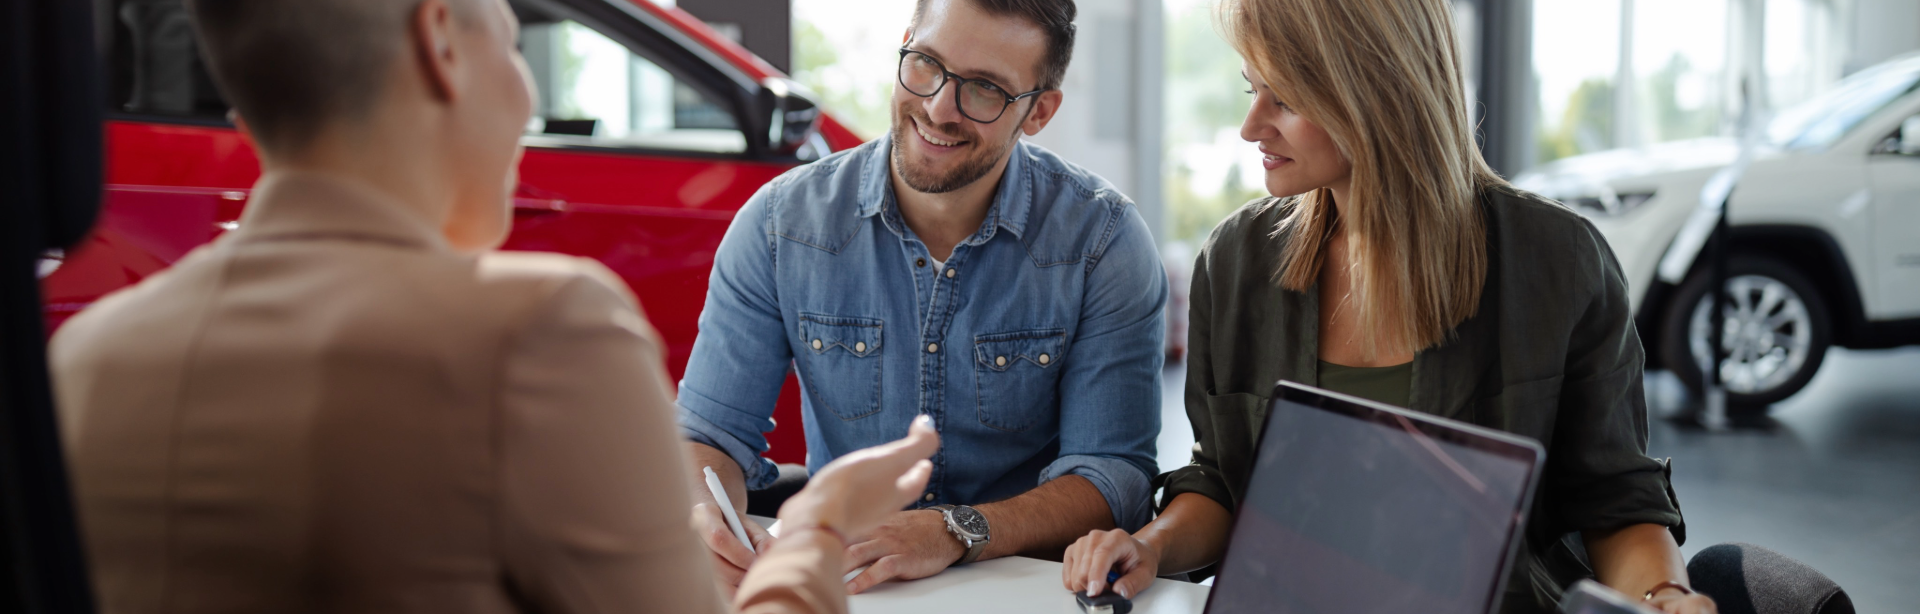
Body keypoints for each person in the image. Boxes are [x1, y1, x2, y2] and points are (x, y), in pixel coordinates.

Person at [49, 0, 940, 612]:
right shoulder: (541, 334)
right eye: (514, 44)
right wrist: (819, 529)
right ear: (441, 40)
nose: (524, 96)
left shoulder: (81, 365)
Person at [1059, 1, 1719, 613]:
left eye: (1284, 98)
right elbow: (1224, 483)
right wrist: (1152, 545)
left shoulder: (1559, 262)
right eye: (1250, 88)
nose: (1251, 126)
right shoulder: (1237, 262)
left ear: (1374, 91)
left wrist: (1663, 596)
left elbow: (1614, 499)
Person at [677, 0, 1167, 596]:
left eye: (984, 89)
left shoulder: (1102, 240)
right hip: (855, 584)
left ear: (1038, 111)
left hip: (1028, 588)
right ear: (905, 44)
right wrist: (706, 520)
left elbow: (1113, 474)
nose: (938, 108)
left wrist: (955, 531)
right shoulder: (781, 225)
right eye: (926, 63)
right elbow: (708, 436)